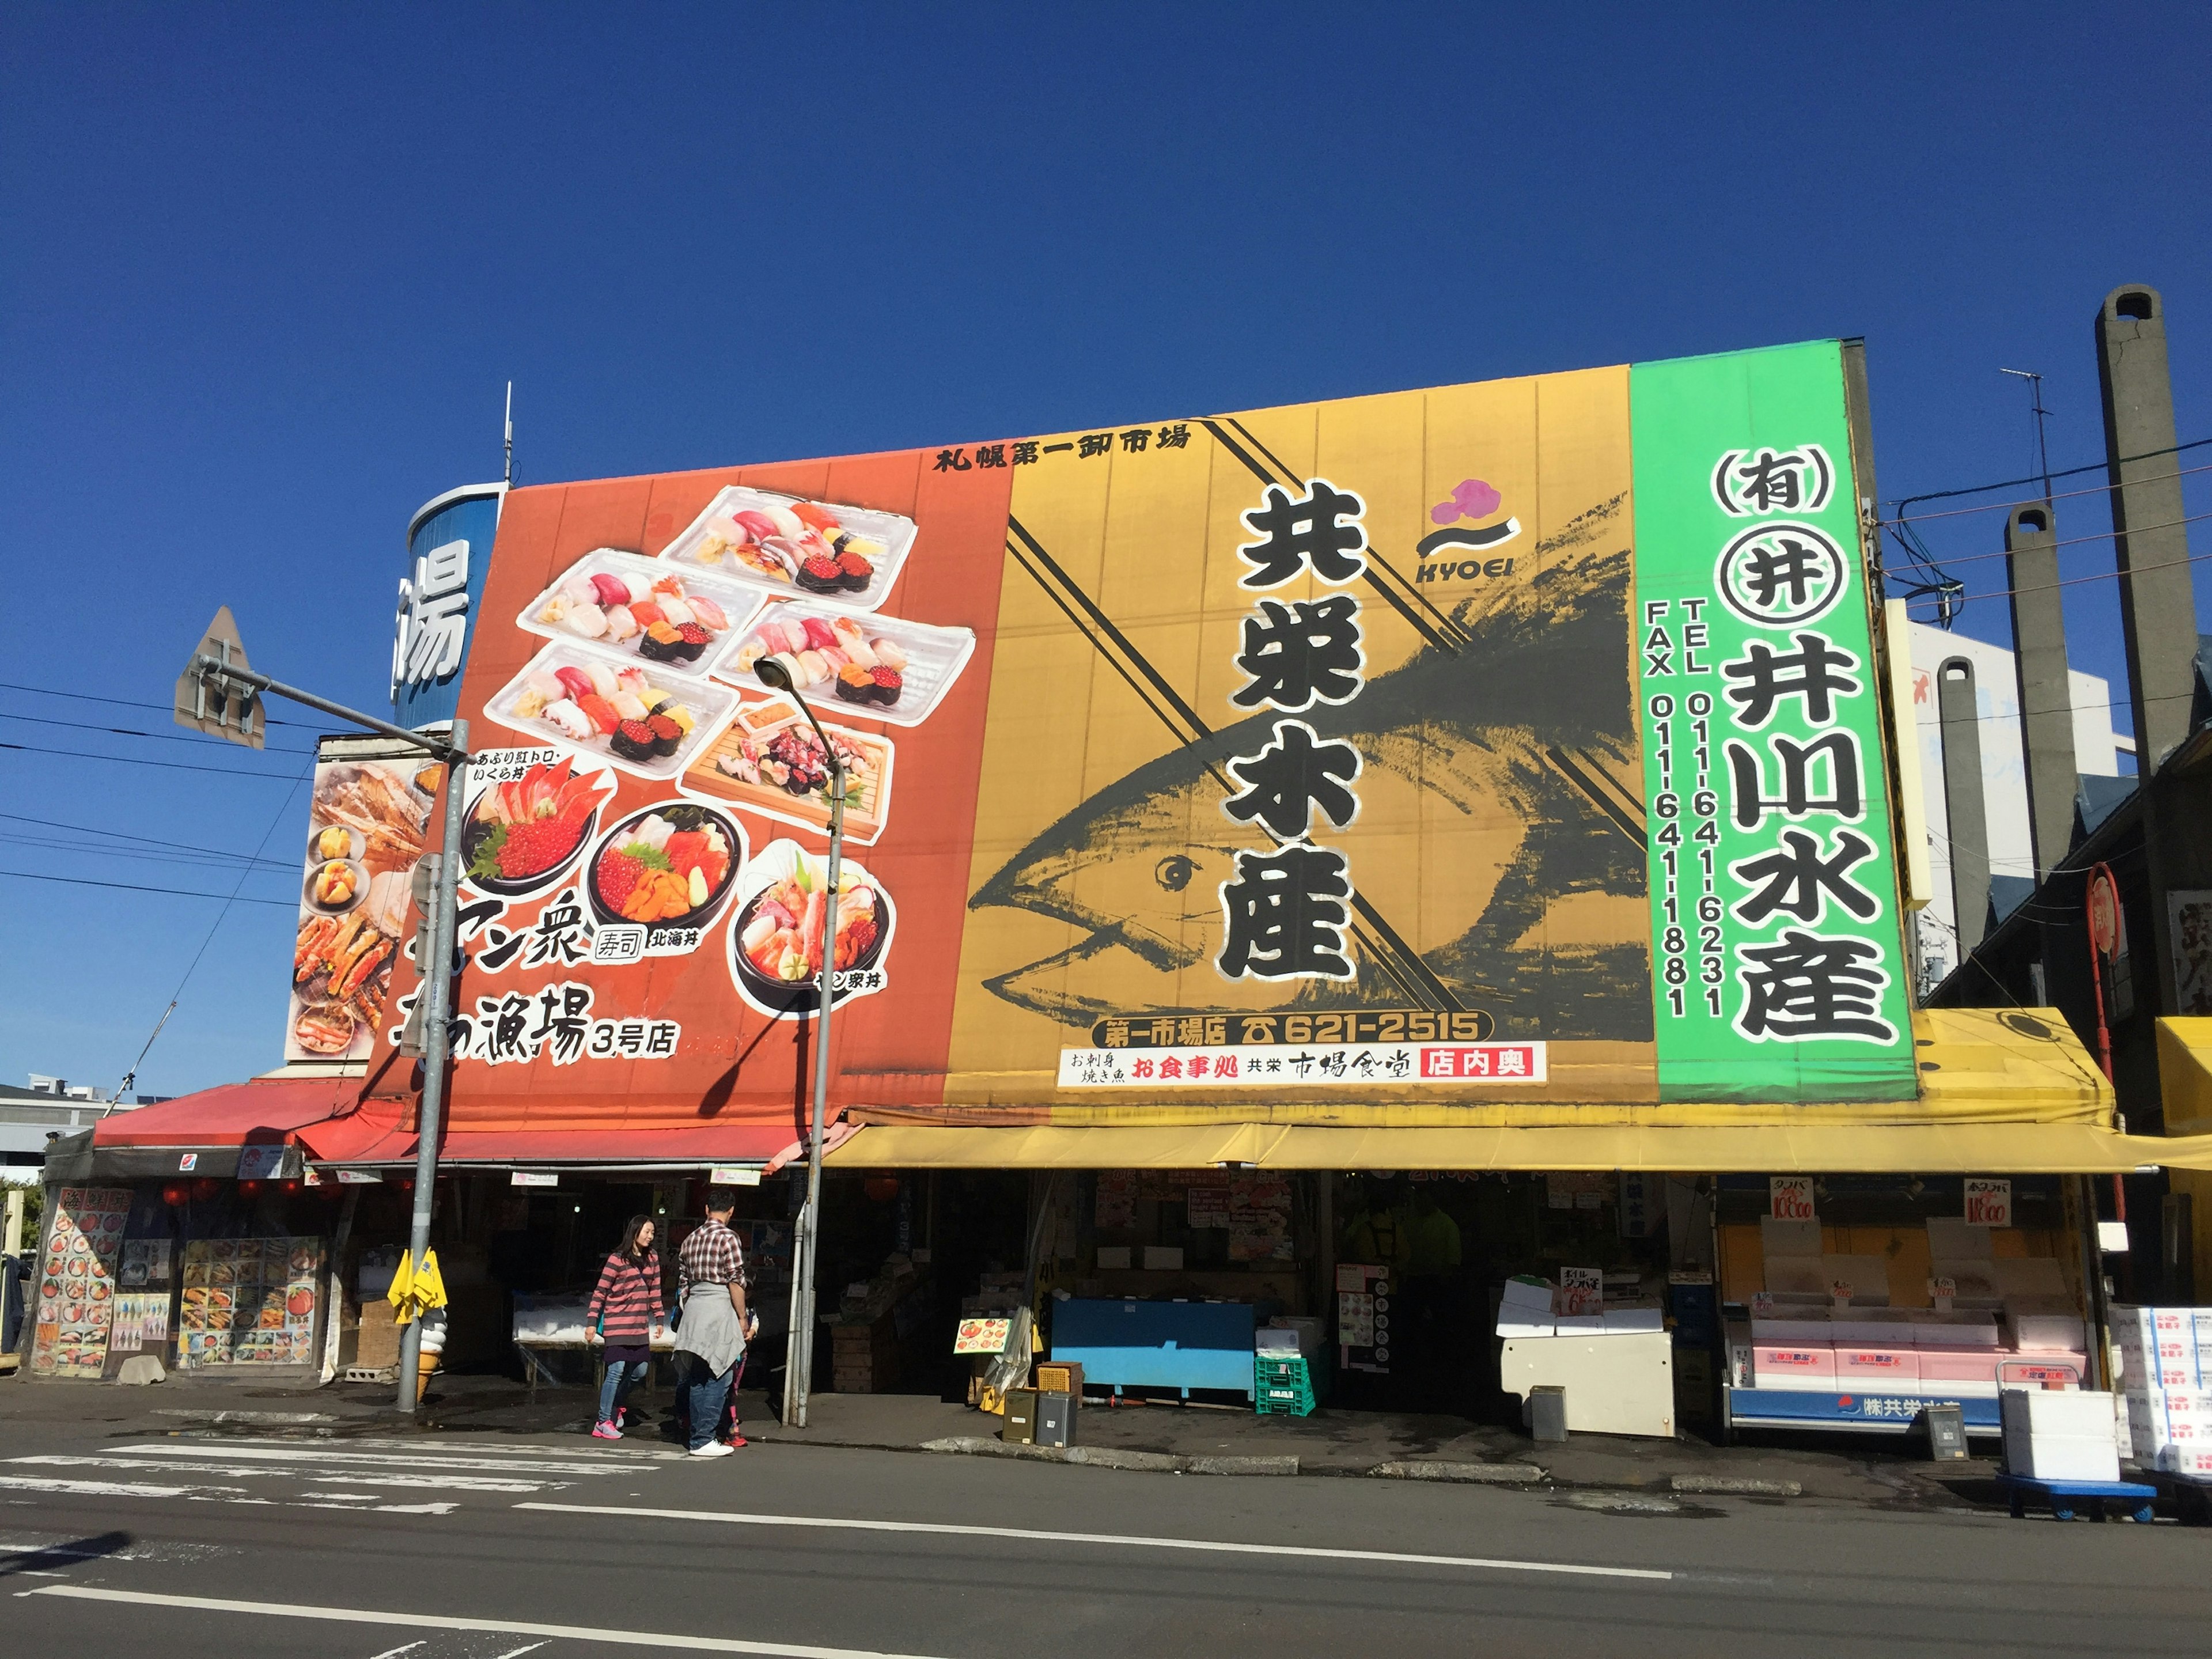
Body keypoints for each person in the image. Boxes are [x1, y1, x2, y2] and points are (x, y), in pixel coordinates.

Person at [672, 1188, 756, 1458]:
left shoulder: (690, 1239)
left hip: (695, 1309)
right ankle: (704, 1439)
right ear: (731, 1211)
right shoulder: (729, 1238)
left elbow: (683, 1283)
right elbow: (735, 1280)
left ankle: (697, 1436)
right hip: (719, 1308)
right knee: (720, 1375)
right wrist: (743, 1318)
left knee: (698, 1376)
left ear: (706, 1209)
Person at [585, 1214, 660, 1440]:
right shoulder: (616, 1260)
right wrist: (591, 1323)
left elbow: (654, 1290)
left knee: (640, 1371)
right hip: (617, 1324)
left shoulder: (653, 1258)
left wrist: (659, 1317)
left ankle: (616, 1404)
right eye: (647, 1232)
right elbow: (600, 1292)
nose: (650, 1236)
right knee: (616, 1370)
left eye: (653, 1233)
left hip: (639, 1326)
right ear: (635, 1232)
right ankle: (602, 1421)